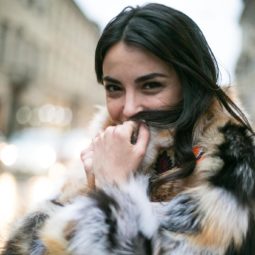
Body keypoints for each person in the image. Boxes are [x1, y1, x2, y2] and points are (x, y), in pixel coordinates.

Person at [2, 3, 255, 255]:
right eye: (114, 88)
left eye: (151, 85)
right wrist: (96, 189)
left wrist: (113, 191)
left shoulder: (234, 177)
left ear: (190, 85)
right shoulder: (99, 157)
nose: (129, 108)